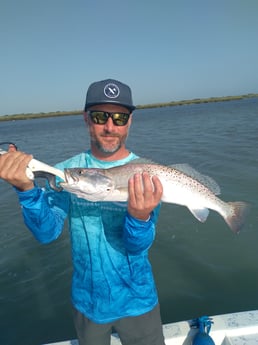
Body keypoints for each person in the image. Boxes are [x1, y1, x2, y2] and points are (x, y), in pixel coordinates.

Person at [0, 79, 165, 345]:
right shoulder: (67, 172)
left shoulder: (145, 175)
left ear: (130, 121)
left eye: (119, 118)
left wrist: (139, 217)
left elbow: (137, 247)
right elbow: (47, 233)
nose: (110, 127)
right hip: (87, 302)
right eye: (100, 116)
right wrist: (26, 190)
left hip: (138, 300)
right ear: (86, 119)